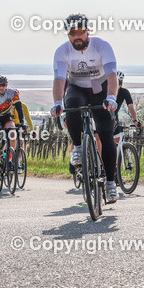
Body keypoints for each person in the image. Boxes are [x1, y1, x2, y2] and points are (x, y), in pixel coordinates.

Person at [50, 13, 119, 204]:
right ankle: (78, 148)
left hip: (100, 89)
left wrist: (112, 98)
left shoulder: (102, 46)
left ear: (88, 31)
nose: (77, 36)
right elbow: (59, 80)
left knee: (106, 135)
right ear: (68, 34)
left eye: (81, 31)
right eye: (73, 32)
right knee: (70, 105)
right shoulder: (62, 51)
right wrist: (57, 102)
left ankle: (111, 184)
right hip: (77, 88)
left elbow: (112, 76)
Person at [0, 75, 25, 178]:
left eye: (3, 85)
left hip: (6, 116)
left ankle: (8, 159)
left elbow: (19, 108)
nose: (1, 87)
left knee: (13, 135)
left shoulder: (13, 93)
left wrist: (22, 123)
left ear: (7, 85)